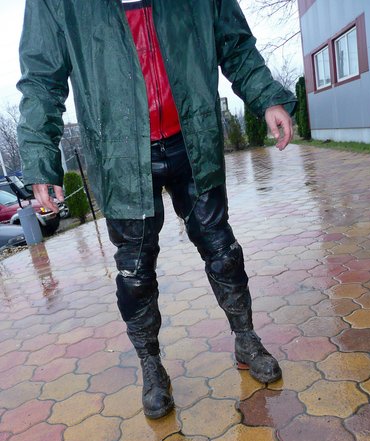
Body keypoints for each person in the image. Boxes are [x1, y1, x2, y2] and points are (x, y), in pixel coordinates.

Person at [17, 0, 297, 419]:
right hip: (119, 151)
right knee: (134, 270)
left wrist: (267, 97)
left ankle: (246, 338)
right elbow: (42, 78)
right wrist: (40, 158)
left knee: (222, 249)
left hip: (192, 133)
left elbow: (234, 42)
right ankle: (151, 366)